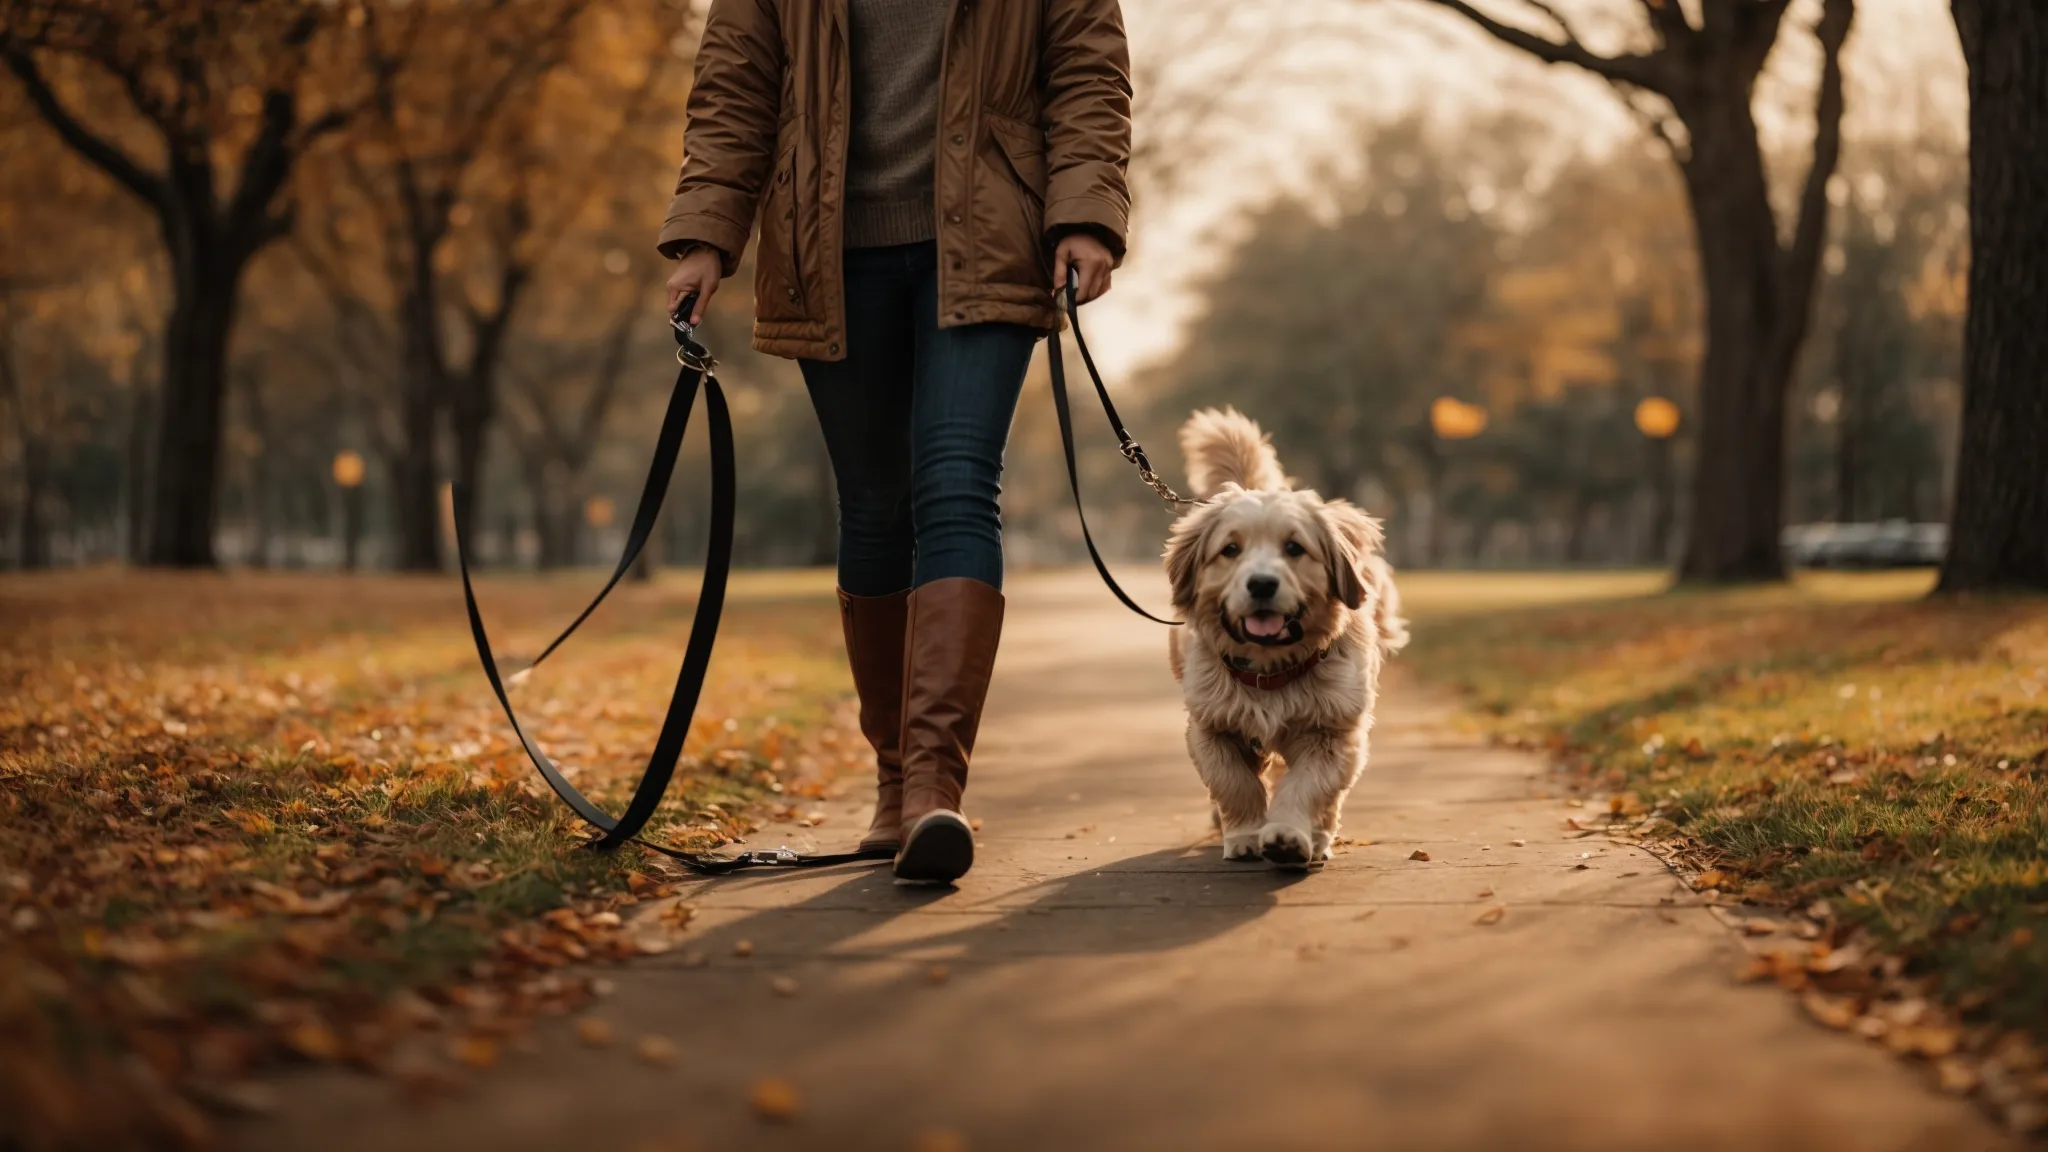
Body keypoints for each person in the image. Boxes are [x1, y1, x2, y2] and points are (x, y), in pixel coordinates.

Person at [658, 0, 1132, 883]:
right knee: (874, 507)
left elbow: (1086, 74)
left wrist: (1086, 214)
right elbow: (735, 89)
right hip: (828, 247)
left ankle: (932, 789)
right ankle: (892, 781)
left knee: (956, 483)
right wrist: (706, 235)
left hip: (987, 237)